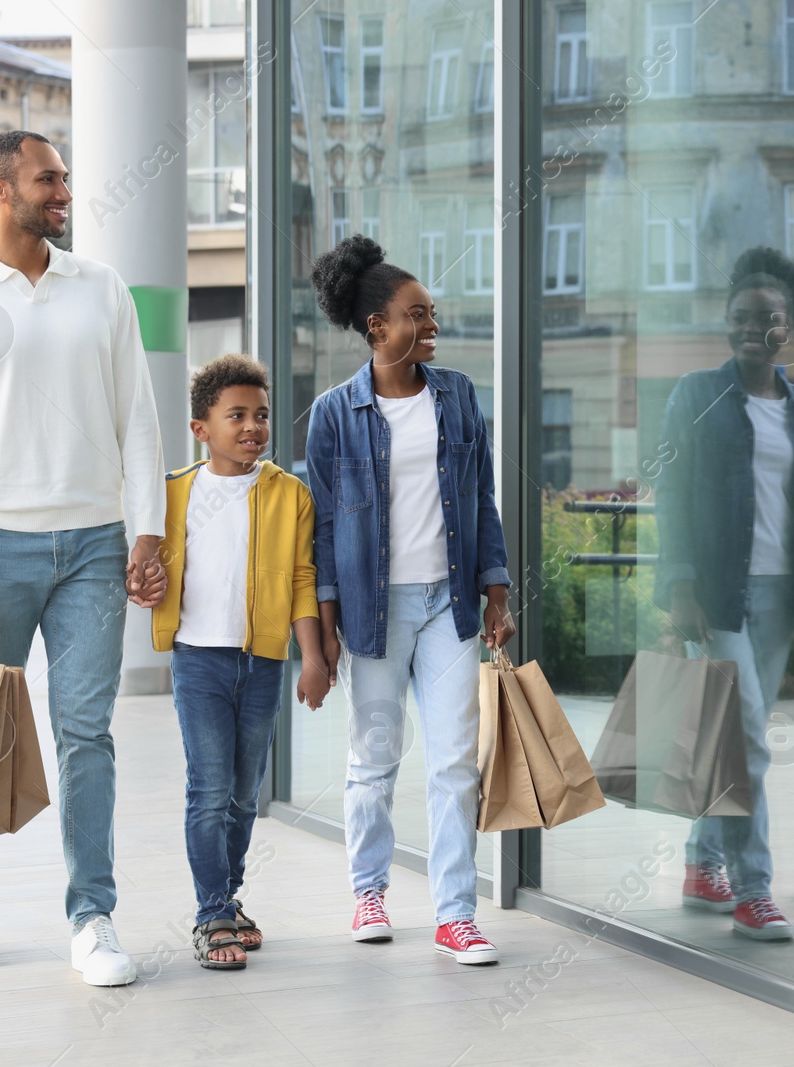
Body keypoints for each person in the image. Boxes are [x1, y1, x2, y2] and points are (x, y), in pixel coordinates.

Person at [0, 130, 166, 985]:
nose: (62, 190)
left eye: (63, 178)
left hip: (94, 543)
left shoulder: (102, 288)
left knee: (86, 733)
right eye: (45, 178)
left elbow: (139, 414)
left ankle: (93, 919)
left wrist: (147, 529)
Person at [305, 235, 515, 964]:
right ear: (376, 327)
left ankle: (456, 913)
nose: (430, 326)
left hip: (450, 604)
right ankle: (369, 890)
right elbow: (325, 528)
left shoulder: (456, 395)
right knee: (375, 757)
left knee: (456, 759)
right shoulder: (334, 412)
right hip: (374, 608)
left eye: (431, 314)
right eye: (416, 315)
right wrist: (325, 632)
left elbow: (480, 498)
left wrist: (497, 590)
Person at [655, 246, 794, 941]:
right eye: (740, 316)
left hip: (783, 591)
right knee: (749, 737)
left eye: (770, 317)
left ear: (791, 326)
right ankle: (755, 889)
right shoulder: (697, 394)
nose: (753, 327)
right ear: (726, 322)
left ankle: (703, 863)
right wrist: (682, 587)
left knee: (731, 736)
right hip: (721, 594)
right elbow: (670, 493)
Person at [150, 355, 335, 969]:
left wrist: (314, 659)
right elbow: (145, 569)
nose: (252, 426)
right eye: (236, 416)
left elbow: (304, 581)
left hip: (262, 663)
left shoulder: (291, 495)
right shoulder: (173, 493)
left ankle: (226, 898)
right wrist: (142, 583)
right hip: (198, 661)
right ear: (202, 427)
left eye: (260, 415)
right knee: (208, 788)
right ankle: (211, 915)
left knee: (243, 794)